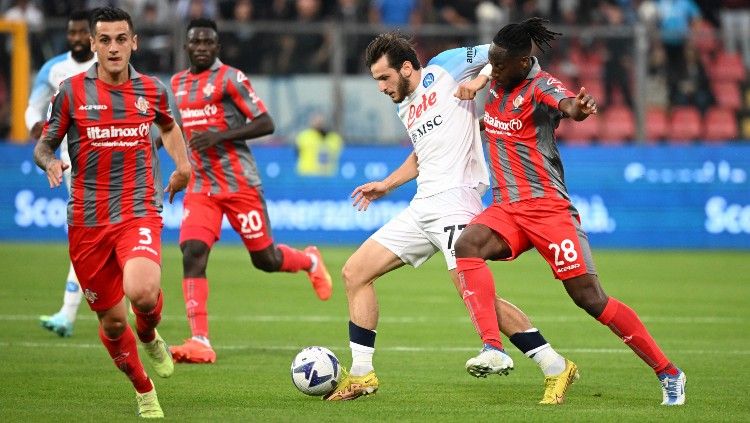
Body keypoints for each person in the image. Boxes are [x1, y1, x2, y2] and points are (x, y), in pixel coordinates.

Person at [325, 32, 578, 404]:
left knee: (472, 292)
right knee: (355, 273)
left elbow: (503, 53)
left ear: (407, 68)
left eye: (384, 78)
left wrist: (480, 79)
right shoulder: (406, 104)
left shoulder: (446, 67)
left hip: (457, 199)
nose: (380, 87)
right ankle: (362, 374)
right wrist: (387, 185)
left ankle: (555, 366)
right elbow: (421, 153)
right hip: (422, 204)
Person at [452, 17, 686, 406]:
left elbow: (566, 105)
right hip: (508, 207)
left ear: (524, 64)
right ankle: (493, 347)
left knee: (590, 299)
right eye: (492, 63)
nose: (492, 71)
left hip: (548, 210)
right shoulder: (499, 74)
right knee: (467, 245)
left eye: (501, 65)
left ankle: (669, 372)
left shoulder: (540, 86)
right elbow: (492, 70)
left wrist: (577, 107)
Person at [33, 7, 191, 417]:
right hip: (86, 219)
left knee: (142, 291)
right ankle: (143, 388)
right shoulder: (70, 92)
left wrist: (183, 166)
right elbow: (45, 143)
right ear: (92, 44)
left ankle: (151, 332)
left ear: (134, 42)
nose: (114, 47)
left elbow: (169, 126)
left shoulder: (152, 89)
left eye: (122, 39)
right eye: (105, 40)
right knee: (113, 324)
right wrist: (49, 161)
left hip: (137, 207)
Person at [168, 18, 333, 364]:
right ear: (186, 47)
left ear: (217, 47)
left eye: (207, 42)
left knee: (265, 260)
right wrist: (169, 155)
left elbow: (266, 122)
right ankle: (200, 339)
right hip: (201, 186)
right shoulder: (178, 83)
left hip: (239, 183)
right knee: (192, 251)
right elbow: (177, 128)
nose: (200, 47)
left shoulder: (231, 78)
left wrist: (219, 135)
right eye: (195, 42)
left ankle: (310, 260)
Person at [25, 9, 97, 338]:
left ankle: (74, 311)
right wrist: (39, 131)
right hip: (73, 162)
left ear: (93, 35)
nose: (78, 38)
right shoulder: (55, 70)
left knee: (91, 238)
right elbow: (33, 107)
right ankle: (70, 313)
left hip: (114, 160)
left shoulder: (108, 65)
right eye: (73, 33)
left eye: (83, 32)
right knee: (87, 237)